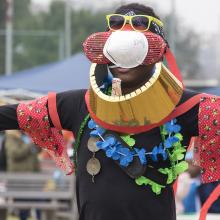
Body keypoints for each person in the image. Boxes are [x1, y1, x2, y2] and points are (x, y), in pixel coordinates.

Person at [0, 3, 220, 220]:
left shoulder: (186, 108)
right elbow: (10, 114)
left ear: (157, 53)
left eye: (135, 50)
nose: (124, 59)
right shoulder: (79, 105)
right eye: (118, 50)